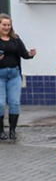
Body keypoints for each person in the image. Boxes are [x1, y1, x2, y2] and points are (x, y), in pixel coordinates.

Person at [0, 13, 36, 141]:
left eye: (8, 25)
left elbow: (23, 53)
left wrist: (30, 54)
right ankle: (1, 131)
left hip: (14, 75)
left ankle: (13, 130)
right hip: (0, 75)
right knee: (0, 104)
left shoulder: (15, 38)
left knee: (14, 103)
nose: (6, 27)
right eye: (4, 25)